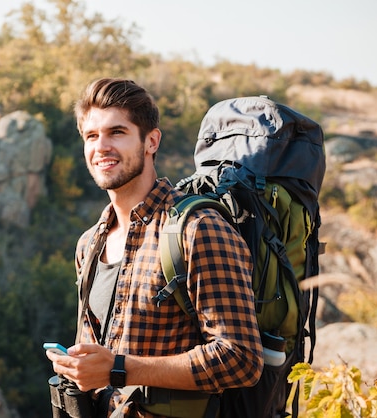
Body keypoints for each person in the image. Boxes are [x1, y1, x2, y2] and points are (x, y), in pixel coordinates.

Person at [46, 77, 263, 417]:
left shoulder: (196, 229)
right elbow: (98, 364)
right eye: (91, 136)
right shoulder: (89, 244)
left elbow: (241, 359)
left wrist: (119, 368)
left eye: (117, 132)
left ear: (151, 141)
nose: (101, 146)